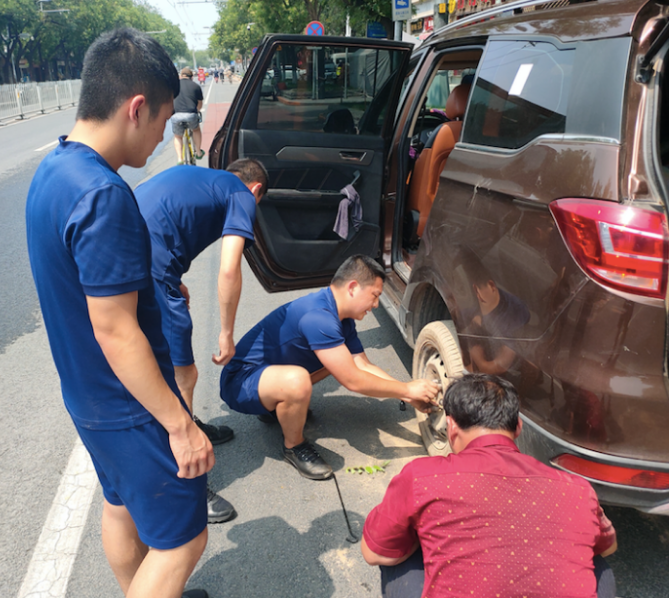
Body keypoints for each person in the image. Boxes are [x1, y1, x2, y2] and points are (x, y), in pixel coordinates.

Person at [25, 29, 213, 598]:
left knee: (120, 506)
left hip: (87, 397)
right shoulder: (103, 194)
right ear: (136, 108)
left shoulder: (55, 169)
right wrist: (181, 425)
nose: (161, 138)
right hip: (130, 404)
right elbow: (114, 328)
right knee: (183, 541)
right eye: (162, 120)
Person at [361, 373, 617, 598]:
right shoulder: (578, 489)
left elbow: (375, 553)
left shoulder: (422, 476)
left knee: (395, 546)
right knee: (596, 563)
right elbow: (609, 547)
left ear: (451, 427)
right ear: (518, 427)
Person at [219, 255, 441, 480]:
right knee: (299, 381)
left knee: (337, 362)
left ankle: (278, 406)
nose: (375, 305)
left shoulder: (342, 318)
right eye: (374, 296)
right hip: (240, 383)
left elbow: (362, 365)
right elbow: (353, 380)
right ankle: (293, 446)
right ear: (352, 287)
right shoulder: (319, 318)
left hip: (266, 376)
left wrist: (407, 394)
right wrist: (407, 389)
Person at [137, 158, 268, 523]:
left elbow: (157, 217)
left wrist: (172, 276)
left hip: (127, 259)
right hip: (152, 271)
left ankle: (187, 423)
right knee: (184, 374)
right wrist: (226, 333)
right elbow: (229, 269)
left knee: (155, 359)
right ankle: (186, 481)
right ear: (256, 189)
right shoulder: (242, 195)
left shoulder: (198, 178)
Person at [171, 67, 204, 164]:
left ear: (181, 76)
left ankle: (180, 159)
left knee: (178, 136)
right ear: (192, 77)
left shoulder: (173, 86)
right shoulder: (196, 86)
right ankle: (198, 152)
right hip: (191, 114)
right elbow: (199, 104)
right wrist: (197, 111)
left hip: (176, 115)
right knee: (196, 130)